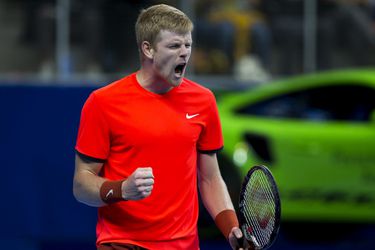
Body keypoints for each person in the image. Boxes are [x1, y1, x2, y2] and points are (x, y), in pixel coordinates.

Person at [73, 4, 253, 250]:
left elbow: (210, 178)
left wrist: (231, 227)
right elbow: (81, 185)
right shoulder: (103, 102)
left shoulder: (204, 101)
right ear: (148, 49)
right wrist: (122, 189)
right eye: (174, 46)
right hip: (121, 243)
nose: (184, 53)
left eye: (188, 45)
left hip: (183, 245)